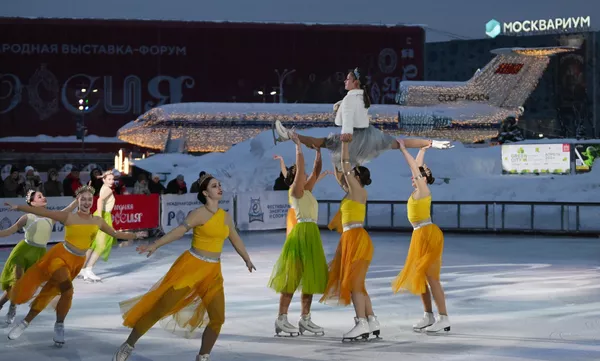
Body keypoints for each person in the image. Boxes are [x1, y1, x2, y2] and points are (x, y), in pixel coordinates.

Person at [113, 173, 256, 361]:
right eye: (214, 186)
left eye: (219, 185)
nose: (219, 188)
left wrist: (246, 258)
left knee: (218, 318)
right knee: (160, 308)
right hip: (191, 267)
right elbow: (178, 231)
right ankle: (129, 344)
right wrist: (155, 244)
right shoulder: (198, 214)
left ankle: (203, 356)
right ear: (205, 192)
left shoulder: (225, 217)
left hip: (213, 272)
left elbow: (235, 238)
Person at [4, 185, 145, 346]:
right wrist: (19, 207)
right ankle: (59, 326)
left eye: (89, 199)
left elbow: (115, 234)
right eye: (82, 199)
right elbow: (44, 212)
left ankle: (26, 322)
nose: (86, 202)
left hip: (77, 262)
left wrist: (135, 234)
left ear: (93, 201)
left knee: (51, 291)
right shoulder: (68, 217)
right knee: (68, 289)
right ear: (77, 201)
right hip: (60, 257)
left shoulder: (97, 221)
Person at [273, 67, 452, 170]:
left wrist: (346, 134)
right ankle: (430, 142)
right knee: (398, 143)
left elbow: (350, 117)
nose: (344, 81)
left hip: (356, 137)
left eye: (347, 79)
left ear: (355, 82)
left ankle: (289, 135)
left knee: (321, 142)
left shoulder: (352, 97)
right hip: (366, 136)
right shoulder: (358, 95)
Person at [268, 132, 329, 336]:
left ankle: (305, 318)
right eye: (300, 173)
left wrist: (319, 151)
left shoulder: (307, 189)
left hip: (311, 234)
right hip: (301, 233)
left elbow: (315, 169)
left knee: (309, 278)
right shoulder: (296, 191)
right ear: (295, 177)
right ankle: (282, 318)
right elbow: (303, 167)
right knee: (292, 278)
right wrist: (298, 146)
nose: (304, 175)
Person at [319, 140, 380, 342]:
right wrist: (333, 155)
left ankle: (361, 323)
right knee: (359, 284)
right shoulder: (350, 193)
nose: (347, 176)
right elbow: (340, 172)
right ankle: (371, 320)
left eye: (352, 174)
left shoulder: (358, 192)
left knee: (354, 284)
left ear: (357, 177)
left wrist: (344, 146)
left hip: (356, 239)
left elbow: (345, 167)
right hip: (350, 239)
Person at [391, 140, 450, 333]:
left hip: (427, 234)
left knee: (432, 278)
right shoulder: (418, 189)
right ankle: (428, 315)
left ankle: (443, 317)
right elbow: (416, 167)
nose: (414, 175)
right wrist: (422, 150)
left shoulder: (424, 190)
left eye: (419, 173)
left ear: (424, 177)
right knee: (421, 277)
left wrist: (404, 150)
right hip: (419, 235)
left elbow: (414, 167)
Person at [0, 191, 77, 325]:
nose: (43, 197)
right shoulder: (27, 217)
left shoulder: (51, 217)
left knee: (25, 285)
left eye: (43, 195)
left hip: (39, 254)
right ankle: (12, 307)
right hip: (23, 251)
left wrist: (79, 198)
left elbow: (68, 209)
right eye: (39, 197)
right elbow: (8, 231)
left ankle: (2, 303)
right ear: (32, 203)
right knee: (17, 280)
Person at [79, 171, 117, 282]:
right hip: (103, 216)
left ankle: (83, 268)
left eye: (112, 179)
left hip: (100, 214)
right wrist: (100, 216)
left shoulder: (104, 187)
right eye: (109, 179)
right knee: (101, 245)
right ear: (104, 180)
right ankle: (88, 270)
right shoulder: (108, 190)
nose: (112, 181)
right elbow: (99, 200)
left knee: (93, 245)